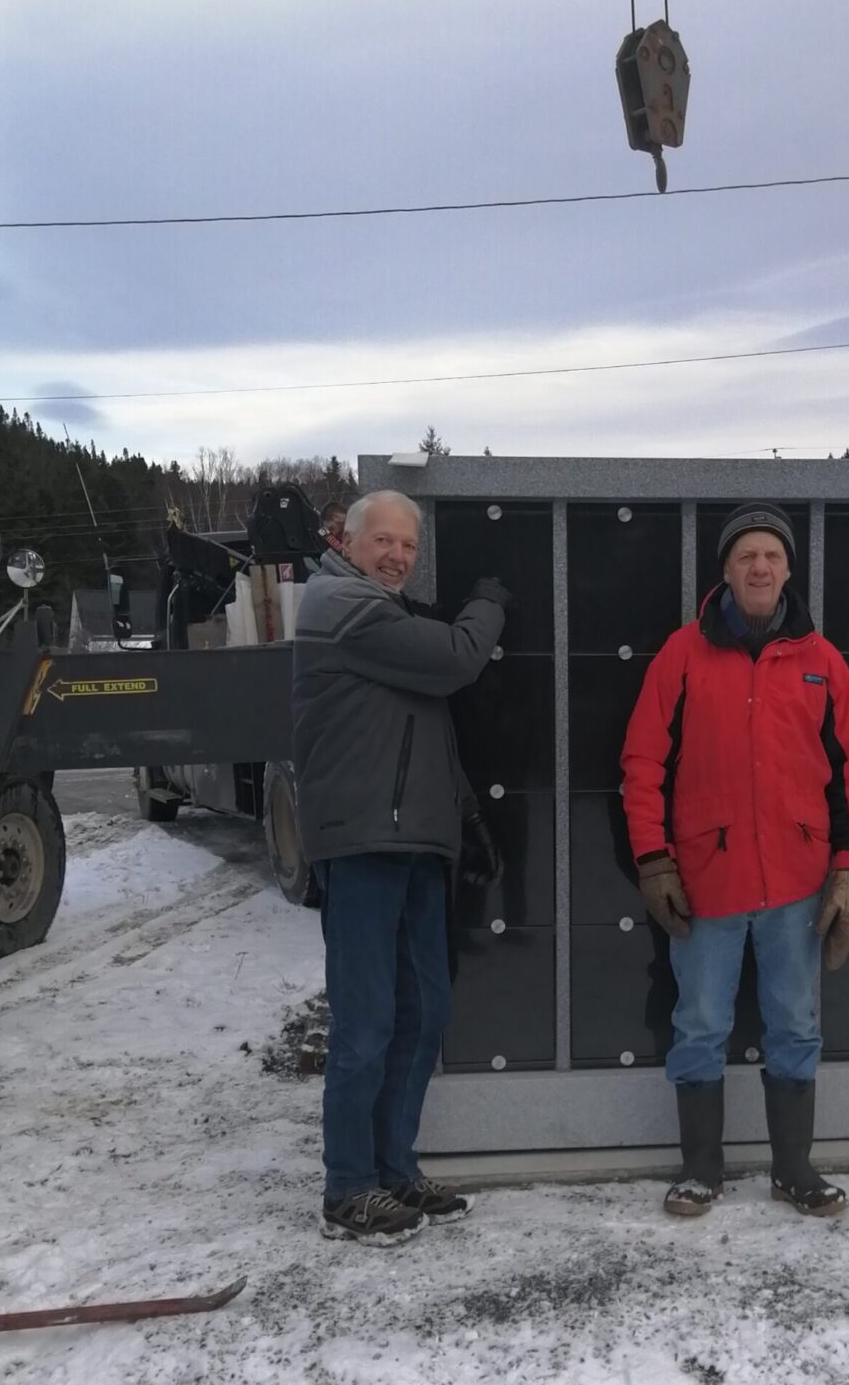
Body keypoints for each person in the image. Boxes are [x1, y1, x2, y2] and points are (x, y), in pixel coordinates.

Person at [621, 502, 849, 1219]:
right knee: (700, 1024)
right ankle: (701, 1169)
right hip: (706, 886)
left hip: (798, 887)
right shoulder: (682, 655)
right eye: (745, 557)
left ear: (789, 568)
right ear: (726, 571)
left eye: (771, 555)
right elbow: (641, 765)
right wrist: (653, 860)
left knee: (795, 1024)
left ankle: (794, 1168)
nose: (759, 567)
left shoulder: (822, 663)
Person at [293, 488, 511, 1244]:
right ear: (347, 542)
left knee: (425, 1013)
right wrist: (489, 601)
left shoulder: (386, 614)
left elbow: (426, 734)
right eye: (383, 541)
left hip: (416, 842)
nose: (397, 556)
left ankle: (394, 1170)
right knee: (366, 1022)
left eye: (408, 547)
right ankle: (348, 1187)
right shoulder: (339, 606)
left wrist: (467, 821)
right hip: (362, 845)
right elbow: (456, 660)